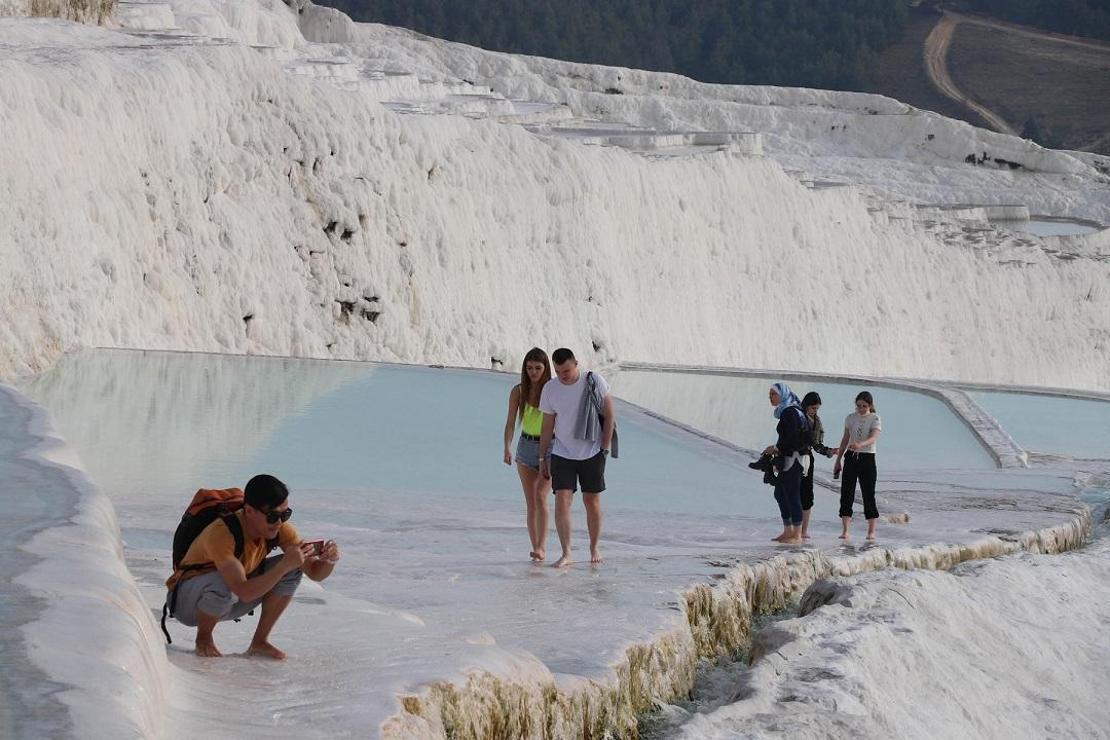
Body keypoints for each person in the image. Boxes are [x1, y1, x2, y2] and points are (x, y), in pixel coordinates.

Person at [164, 474, 340, 659]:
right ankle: (204, 639)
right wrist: (283, 566)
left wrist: (330, 560)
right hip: (186, 603)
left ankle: (259, 642)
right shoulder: (221, 533)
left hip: (227, 599)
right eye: (272, 516)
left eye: (285, 514)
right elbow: (243, 591)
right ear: (249, 511)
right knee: (229, 578)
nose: (279, 522)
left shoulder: (279, 529)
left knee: (294, 568)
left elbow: (314, 573)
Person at [538, 348, 614, 567]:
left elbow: (609, 415)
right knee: (562, 500)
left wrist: (604, 449)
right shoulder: (551, 389)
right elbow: (547, 425)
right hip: (562, 452)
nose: (563, 375)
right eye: (559, 371)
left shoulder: (594, 380)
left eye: (567, 370)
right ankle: (566, 553)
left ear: (576, 364)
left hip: (591, 451)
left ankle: (594, 547)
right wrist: (543, 457)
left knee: (592, 501)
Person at [503, 347, 553, 561]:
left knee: (541, 495)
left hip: (550, 447)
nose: (533, 372)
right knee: (531, 501)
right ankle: (536, 549)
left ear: (545, 368)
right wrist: (506, 446)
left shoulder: (552, 390)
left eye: (538, 368)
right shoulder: (519, 391)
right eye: (529, 368)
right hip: (525, 446)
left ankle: (542, 546)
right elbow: (511, 422)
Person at [762, 382, 807, 544]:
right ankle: (788, 530)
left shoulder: (790, 412)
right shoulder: (791, 410)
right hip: (790, 457)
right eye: (769, 394)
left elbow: (793, 437)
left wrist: (776, 448)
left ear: (783, 394)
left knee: (791, 494)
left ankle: (797, 534)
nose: (770, 397)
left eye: (773, 394)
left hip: (793, 458)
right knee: (780, 493)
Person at [834, 391, 882, 540]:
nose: (861, 408)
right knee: (846, 493)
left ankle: (871, 531)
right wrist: (838, 460)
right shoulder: (850, 418)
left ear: (870, 405)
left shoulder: (875, 418)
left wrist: (860, 444)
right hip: (850, 457)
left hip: (867, 457)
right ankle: (845, 530)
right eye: (858, 405)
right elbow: (845, 439)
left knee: (868, 493)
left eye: (864, 406)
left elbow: (874, 437)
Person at [799, 391, 835, 539]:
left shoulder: (816, 422)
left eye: (817, 409)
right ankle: (792, 530)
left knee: (807, 496)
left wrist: (829, 451)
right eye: (813, 408)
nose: (815, 411)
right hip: (794, 458)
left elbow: (816, 445)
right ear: (806, 406)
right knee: (792, 494)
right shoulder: (796, 417)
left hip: (808, 459)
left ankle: (803, 531)